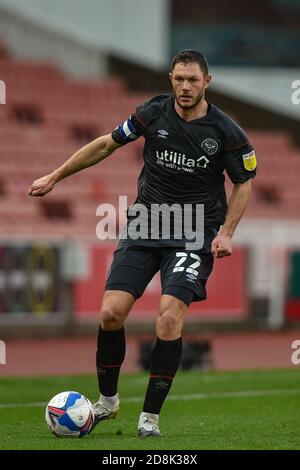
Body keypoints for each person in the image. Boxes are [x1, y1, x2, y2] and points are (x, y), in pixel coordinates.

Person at [29, 50, 257, 437]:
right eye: (179, 79)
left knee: (168, 317)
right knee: (110, 314)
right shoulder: (152, 113)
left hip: (194, 231)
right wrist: (55, 175)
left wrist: (226, 233)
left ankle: (149, 418)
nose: (185, 87)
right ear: (171, 78)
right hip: (146, 223)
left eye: (193, 80)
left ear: (207, 82)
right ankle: (107, 403)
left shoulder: (228, 134)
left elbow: (244, 183)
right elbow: (106, 144)